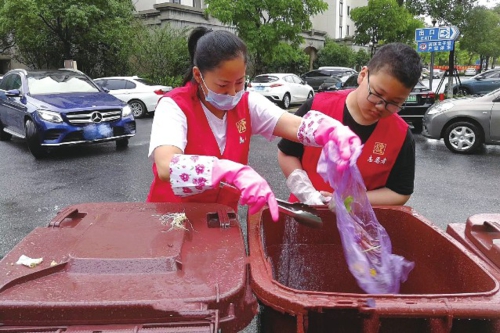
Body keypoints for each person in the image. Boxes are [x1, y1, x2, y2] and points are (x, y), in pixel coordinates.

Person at [146, 26, 361, 221]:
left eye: (240, 82)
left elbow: (293, 125)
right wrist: (231, 172)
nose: (232, 92)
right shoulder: (175, 106)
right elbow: (166, 165)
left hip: (220, 222)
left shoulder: (246, 103)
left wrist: (332, 132)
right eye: (222, 84)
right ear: (198, 75)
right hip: (172, 220)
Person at [277, 43, 422, 206]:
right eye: (377, 94)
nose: (381, 106)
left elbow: (400, 192)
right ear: (363, 75)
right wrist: (304, 190)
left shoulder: (401, 135)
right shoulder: (318, 107)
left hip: (357, 225)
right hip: (305, 213)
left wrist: (351, 201)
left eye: (395, 103)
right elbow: (287, 152)